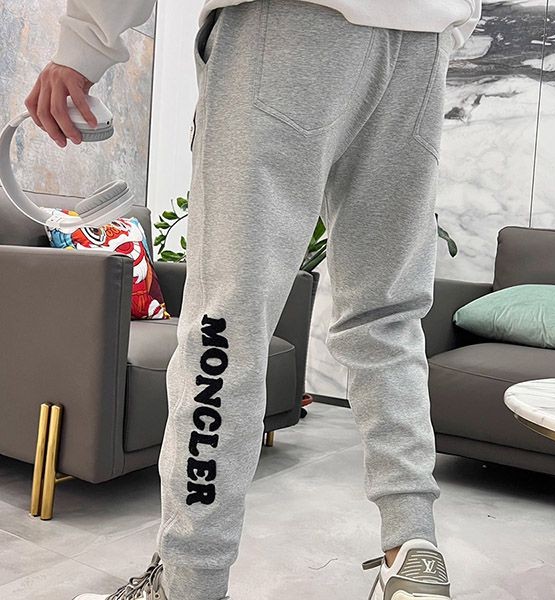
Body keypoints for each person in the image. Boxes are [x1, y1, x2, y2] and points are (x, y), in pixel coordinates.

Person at [26, 1, 482, 599]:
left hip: (287, 27)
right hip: (420, 45)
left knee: (225, 328)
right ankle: (412, 545)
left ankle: (189, 582)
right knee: (387, 316)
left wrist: (83, 47)